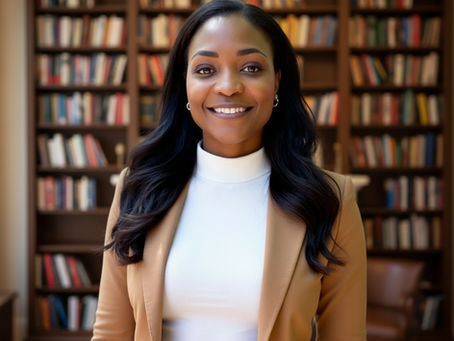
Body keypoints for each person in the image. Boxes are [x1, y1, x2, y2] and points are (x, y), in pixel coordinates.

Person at [92, 0, 367, 340]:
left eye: (251, 68)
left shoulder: (331, 200)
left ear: (277, 81)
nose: (228, 86)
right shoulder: (137, 189)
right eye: (206, 70)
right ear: (185, 87)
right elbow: (111, 332)